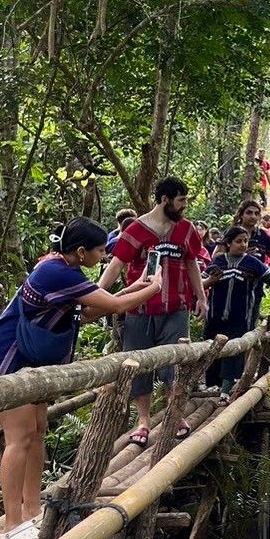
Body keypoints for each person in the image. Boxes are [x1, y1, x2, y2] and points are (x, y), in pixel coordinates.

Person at [0, 219, 163, 539]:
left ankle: (32, 510)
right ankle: (11, 523)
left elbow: (86, 313)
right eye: (99, 251)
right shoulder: (57, 273)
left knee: (36, 434)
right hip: (7, 360)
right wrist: (154, 286)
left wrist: (132, 289)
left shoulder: (63, 270)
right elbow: (116, 307)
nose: (103, 257)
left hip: (32, 362)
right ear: (81, 252)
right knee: (19, 437)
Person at [99, 176, 208, 446]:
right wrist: (97, 293)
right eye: (181, 200)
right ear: (164, 200)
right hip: (139, 309)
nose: (184, 206)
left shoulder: (186, 230)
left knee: (175, 363)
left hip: (176, 308)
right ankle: (143, 421)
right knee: (139, 366)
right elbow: (116, 264)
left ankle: (176, 415)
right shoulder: (136, 230)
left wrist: (202, 298)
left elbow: (192, 264)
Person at [203, 225, 270, 400]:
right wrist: (210, 280)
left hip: (240, 317)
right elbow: (201, 284)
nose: (243, 244)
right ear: (228, 243)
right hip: (215, 316)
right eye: (238, 241)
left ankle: (225, 391)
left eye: (245, 241)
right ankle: (213, 386)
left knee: (234, 351)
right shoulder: (218, 262)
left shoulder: (253, 263)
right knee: (212, 351)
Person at [226, 199, 270, 263]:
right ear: (241, 215)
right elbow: (216, 255)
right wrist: (240, 254)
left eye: (256, 213)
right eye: (249, 213)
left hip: (258, 271)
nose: (253, 216)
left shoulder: (262, 235)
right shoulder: (231, 232)